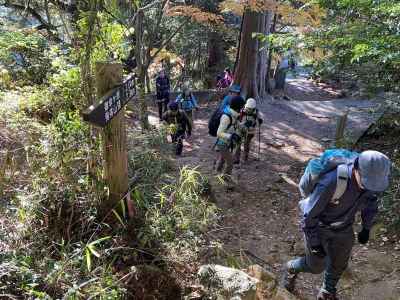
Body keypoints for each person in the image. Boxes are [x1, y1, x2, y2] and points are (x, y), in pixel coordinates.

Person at [281, 150, 392, 300]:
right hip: (319, 227)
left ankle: (327, 291)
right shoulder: (333, 181)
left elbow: (370, 205)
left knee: (340, 262)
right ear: (356, 169)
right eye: (367, 182)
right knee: (316, 266)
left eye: (373, 184)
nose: (369, 187)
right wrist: (314, 243)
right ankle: (291, 268)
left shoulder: (372, 182)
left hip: (344, 227)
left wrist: (366, 227)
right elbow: (309, 216)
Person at [215, 96, 245, 179]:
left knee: (222, 158)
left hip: (227, 142)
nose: (242, 109)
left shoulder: (233, 115)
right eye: (242, 107)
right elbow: (219, 133)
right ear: (238, 107)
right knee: (230, 162)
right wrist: (231, 136)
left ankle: (217, 172)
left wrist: (245, 125)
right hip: (222, 143)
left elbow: (237, 124)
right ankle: (225, 179)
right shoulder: (226, 117)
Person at [234, 98, 264, 164]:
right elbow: (237, 118)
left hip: (250, 131)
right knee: (238, 143)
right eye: (248, 108)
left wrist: (260, 120)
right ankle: (236, 159)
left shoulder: (256, 112)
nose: (249, 110)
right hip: (242, 128)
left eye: (250, 108)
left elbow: (261, 118)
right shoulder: (242, 110)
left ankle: (245, 158)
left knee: (246, 144)